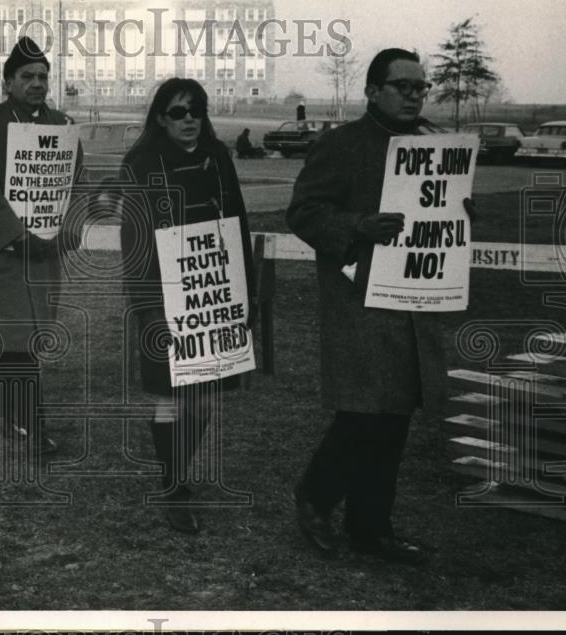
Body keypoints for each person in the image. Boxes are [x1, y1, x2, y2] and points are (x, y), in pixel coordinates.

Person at [286, 47, 461, 564]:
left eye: (420, 87)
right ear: (371, 91)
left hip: (412, 301)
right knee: (365, 412)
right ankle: (316, 497)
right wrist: (359, 226)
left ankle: (371, 528)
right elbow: (305, 212)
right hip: (358, 300)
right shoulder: (341, 146)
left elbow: (441, 209)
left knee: (395, 415)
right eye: (402, 85)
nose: (413, 94)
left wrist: (457, 208)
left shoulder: (431, 147)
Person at [119, 77, 255, 534]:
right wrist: (147, 306)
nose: (189, 119)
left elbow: (237, 218)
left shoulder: (217, 157)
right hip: (162, 294)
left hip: (214, 291)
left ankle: (177, 471)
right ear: (160, 117)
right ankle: (174, 485)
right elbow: (133, 239)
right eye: (178, 111)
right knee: (170, 395)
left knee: (203, 396)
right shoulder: (141, 163)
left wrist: (245, 292)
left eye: (196, 109)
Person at [0, 36, 83, 454]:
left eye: (43, 76)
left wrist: (66, 231)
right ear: (8, 80)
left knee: (29, 338)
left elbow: (75, 185)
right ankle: (31, 423)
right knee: (18, 339)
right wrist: (15, 237)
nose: (37, 83)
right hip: (1, 253)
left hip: (45, 253)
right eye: (27, 76)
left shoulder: (63, 126)